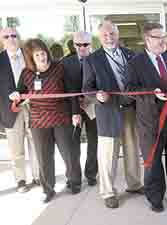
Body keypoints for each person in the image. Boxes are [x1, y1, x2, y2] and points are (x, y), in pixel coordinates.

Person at [127, 22, 167, 213]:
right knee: (153, 162)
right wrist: (151, 93)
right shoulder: (135, 63)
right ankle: (156, 199)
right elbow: (129, 90)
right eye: (158, 37)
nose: (163, 41)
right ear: (147, 39)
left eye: (165, 36)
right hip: (150, 121)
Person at [82, 19, 143, 209]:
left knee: (132, 149)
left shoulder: (130, 54)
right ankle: (108, 192)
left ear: (118, 35)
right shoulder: (92, 59)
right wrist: (96, 96)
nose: (109, 37)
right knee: (108, 154)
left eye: (112, 34)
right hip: (108, 112)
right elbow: (86, 88)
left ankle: (134, 184)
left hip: (131, 109)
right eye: (105, 35)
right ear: (99, 38)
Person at [12, 38, 82, 202]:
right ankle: (48, 189)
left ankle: (74, 182)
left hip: (61, 117)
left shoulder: (60, 68)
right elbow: (20, 94)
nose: (42, 57)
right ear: (31, 58)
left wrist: (75, 113)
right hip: (38, 121)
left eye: (43, 53)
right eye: (37, 55)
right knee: (44, 157)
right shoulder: (26, 73)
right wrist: (16, 96)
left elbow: (72, 93)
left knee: (70, 154)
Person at [0, 27, 40, 193]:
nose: (11, 38)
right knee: (16, 148)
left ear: (19, 38)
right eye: (6, 36)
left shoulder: (30, 56)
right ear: (2, 40)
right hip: (10, 111)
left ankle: (39, 176)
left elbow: (39, 77)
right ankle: (21, 180)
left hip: (33, 107)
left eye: (14, 35)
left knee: (36, 143)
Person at [62, 31, 98, 187]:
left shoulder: (98, 60)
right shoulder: (65, 63)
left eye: (86, 44)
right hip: (73, 108)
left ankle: (91, 174)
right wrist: (75, 104)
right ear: (73, 44)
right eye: (78, 45)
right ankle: (74, 178)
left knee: (93, 142)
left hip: (93, 106)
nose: (82, 47)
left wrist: (91, 97)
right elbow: (63, 87)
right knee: (72, 144)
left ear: (91, 44)